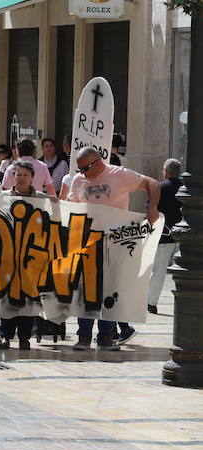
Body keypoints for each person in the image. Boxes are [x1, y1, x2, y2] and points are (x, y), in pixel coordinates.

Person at [68, 146, 160, 351]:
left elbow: (152, 183)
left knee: (110, 290)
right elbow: (71, 207)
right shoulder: (78, 180)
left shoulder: (120, 174)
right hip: (87, 242)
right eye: (79, 168)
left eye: (85, 168)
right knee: (86, 291)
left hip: (116, 243)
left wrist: (152, 207)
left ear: (98, 162)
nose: (81, 173)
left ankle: (106, 337)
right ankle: (83, 337)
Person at [0, 160, 57, 350]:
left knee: (29, 298)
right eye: (18, 174)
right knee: (7, 298)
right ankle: (5, 335)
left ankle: (24, 337)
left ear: (32, 178)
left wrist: (56, 204)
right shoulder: (2, 197)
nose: (22, 178)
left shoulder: (41, 198)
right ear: (13, 176)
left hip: (32, 259)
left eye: (26, 175)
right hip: (7, 257)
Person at [148, 158, 183, 315]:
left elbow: (150, 208)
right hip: (184, 238)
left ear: (166, 172)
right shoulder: (186, 188)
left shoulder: (160, 187)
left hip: (164, 236)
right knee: (183, 273)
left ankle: (151, 303)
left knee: (159, 271)